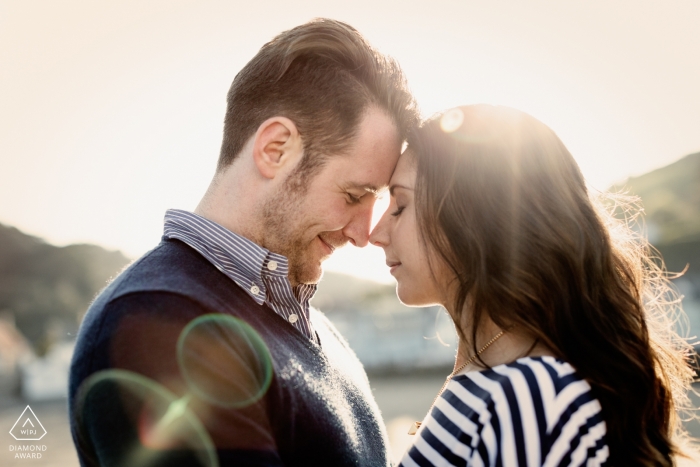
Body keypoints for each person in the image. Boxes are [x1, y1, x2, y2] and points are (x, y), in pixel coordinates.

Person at [68, 18, 418, 466]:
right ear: (275, 148)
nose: (364, 233)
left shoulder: (318, 332)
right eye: (353, 196)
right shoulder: (154, 324)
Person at [369, 104, 696, 466]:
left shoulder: (530, 396)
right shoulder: (493, 379)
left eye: (400, 205)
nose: (375, 233)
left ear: (475, 216)